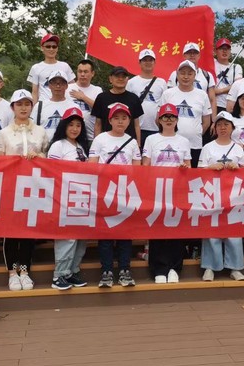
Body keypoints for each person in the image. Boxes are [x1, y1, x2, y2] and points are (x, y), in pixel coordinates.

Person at [0, 89, 48, 291]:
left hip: (33, 188)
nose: (23, 108)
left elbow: (48, 158)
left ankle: (24, 271)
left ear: (32, 107)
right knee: (10, 232)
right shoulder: (4, 133)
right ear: (12, 107)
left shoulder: (40, 131)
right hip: (11, 188)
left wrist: (39, 157)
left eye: (27, 104)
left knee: (27, 231)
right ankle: (11, 272)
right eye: (19, 104)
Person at [89, 102, 141, 288]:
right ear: (109, 120)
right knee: (106, 233)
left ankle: (125, 269)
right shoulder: (100, 139)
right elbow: (92, 165)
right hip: (105, 191)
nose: (120, 121)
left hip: (125, 192)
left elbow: (137, 170)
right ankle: (107, 270)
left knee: (125, 233)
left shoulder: (132, 142)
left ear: (129, 121)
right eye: (116, 118)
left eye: (124, 118)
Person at [142, 103, 191, 283]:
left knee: (176, 228)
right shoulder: (151, 139)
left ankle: (174, 267)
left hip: (177, 190)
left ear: (177, 120)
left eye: (172, 117)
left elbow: (189, 165)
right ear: (159, 120)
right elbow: (145, 164)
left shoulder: (184, 141)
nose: (168, 120)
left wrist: (184, 168)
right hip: (157, 189)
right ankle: (159, 268)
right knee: (158, 227)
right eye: (165, 117)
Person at [46, 107, 92, 290]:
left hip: (82, 197)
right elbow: (52, 171)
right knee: (68, 237)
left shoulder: (81, 146)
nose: (74, 129)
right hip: (65, 197)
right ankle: (59, 275)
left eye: (78, 125)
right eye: (71, 124)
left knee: (81, 237)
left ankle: (72, 271)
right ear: (64, 126)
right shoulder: (58, 145)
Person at [199, 112, 244, 282]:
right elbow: (199, 171)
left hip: (233, 194)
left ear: (232, 128)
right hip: (212, 194)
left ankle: (235, 267)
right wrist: (211, 167)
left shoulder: (238, 148)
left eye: (226, 125)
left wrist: (237, 168)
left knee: (234, 230)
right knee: (212, 230)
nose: (222, 128)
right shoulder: (208, 147)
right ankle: (210, 267)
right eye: (219, 125)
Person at [162, 59, 212, 168]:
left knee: (192, 175)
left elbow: (207, 122)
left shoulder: (202, 95)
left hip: (194, 145)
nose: (186, 77)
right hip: (172, 143)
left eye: (189, 74)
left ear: (195, 76)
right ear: (177, 74)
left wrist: (196, 132)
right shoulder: (168, 94)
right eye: (182, 73)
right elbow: (159, 119)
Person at [91, 66, 144, 143]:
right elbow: (98, 124)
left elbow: (137, 125)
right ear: (110, 79)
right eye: (117, 76)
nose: (120, 79)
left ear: (127, 79)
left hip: (128, 143)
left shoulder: (134, 98)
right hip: (107, 143)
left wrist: (138, 144)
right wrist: (96, 143)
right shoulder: (101, 98)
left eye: (123, 77)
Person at [127, 48, 167, 149]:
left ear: (154, 62)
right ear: (139, 62)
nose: (148, 62)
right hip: (136, 128)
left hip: (156, 128)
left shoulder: (162, 82)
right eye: (145, 60)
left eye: (150, 60)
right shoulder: (131, 82)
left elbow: (164, 105)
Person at [168, 42, 217, 119]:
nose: (192, 55)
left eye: (195, 53)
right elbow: (169, 97)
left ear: (199, 55)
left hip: (201, 116)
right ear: (184, 55)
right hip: (178, 117)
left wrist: (213, 120)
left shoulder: (207, 75)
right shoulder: (174, 74)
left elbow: (212, 99)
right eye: (189, 53)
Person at [27, 32, 75, 103]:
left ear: (57, 49)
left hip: (62, 105)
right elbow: (34, 92)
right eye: (48, 46)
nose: (51, 49)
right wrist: (34, 108)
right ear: (42, 48)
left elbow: (73, 87)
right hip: (44, 105)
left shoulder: (65, 66)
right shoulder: (36, 68)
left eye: (54, 46)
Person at [32, 71, 76, 142]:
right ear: (49, 85)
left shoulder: (73, 107)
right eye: (54, 83)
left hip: (66, 146)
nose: (58, 86)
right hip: (44, 146)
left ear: (66, 86)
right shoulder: (39, 106)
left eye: (61, 83)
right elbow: (32, 128)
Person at [67, 59, 102, 143]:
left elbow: (101, 109)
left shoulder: (97, 90)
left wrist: (83, 97)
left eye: (86, 72)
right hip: (70, 136)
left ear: (92, 73)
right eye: (80, 71)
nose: (82, 74)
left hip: (90, 136)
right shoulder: (67, 88)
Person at [213, 38, 243, 114]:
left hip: (229, 106)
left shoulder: (236, 67)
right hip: (212, 105)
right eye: (221, 48)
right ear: (215, 51)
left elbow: (237, 85)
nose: (224, 51)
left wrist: (219, 91)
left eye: (227, 49)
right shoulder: (212, 63)